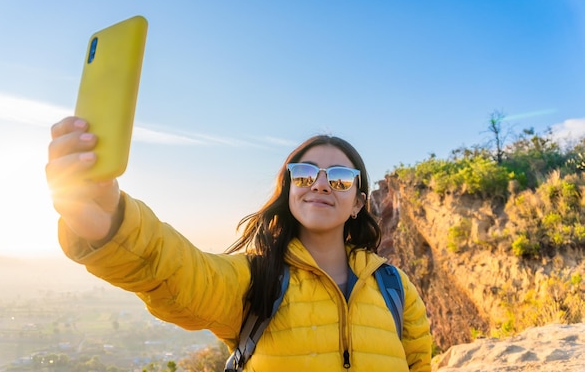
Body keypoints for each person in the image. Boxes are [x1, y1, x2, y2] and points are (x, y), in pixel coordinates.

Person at [46, 116, 432, 371]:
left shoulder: (395, 289)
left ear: (358, 204)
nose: (319, 184)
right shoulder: (256, 279)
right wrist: (113, 222)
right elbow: (182, 272)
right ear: (289, 189)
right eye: (304, 175)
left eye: (340, 178)